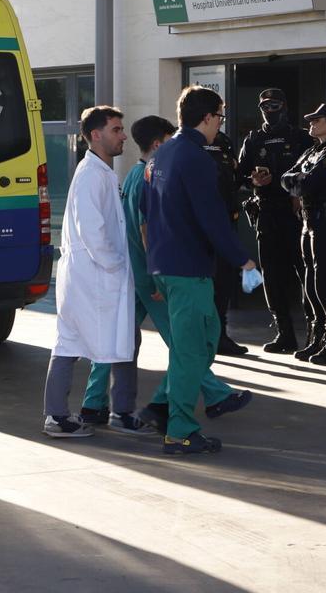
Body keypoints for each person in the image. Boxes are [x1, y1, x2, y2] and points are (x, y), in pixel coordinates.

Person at [82, 115, 237, 437]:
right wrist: (156, 277)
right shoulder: (146, 176)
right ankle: (214, 393)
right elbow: (145, 231)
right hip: (147, 276)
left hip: (135, 273)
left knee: (117, 338)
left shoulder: (138, 174)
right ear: (158, 143)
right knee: (184, 342)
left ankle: (92, 403)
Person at [141, 86, 258, 456]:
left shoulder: (161, 156)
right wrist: (243, 258)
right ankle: (180, 431)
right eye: (220, 117)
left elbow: (148, 211)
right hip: (188, 268)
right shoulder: (195, 158)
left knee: (202, 340)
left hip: (168, 264)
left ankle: (161, 404)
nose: (220, 124)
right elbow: (213, 219)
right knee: (194, 349)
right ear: (207, 118)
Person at [43, 106, 135, 438]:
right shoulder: (90, 176)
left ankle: (62, 414)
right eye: (116, 129)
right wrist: (115, 265)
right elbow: (92, 231)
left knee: (77, 343)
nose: (123, 135)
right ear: (96, 135)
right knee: (70, 344)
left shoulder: (99, 173)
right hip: (91, 279)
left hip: (91, 278)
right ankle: (57, 416)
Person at [236, 88, 314, 353]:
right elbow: (239, 177)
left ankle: (315, 331)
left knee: (306, 274)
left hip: (295, 214)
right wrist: (253, 180)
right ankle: (284, 333)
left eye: (275, 105)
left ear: (284, 107)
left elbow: (314, 175)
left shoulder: (301, 138)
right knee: (272, 276)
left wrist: (298, 195)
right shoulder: (254, 140)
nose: (270, 111)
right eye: (265, 106)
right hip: (267, 212)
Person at [281, 104, 326, 365]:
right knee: (310, 281)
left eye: (317, 119)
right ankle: (317, 335)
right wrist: (298, 181)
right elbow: (286, 177)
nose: (311, 123)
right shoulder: (313, 151)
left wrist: (298, 182)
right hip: (308, 221)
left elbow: (307, 183)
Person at [204, 129, 248, 356]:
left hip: (228, 221)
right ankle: (207, 337)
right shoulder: (189, 143)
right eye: (218, 115)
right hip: (206, 226)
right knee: (207, 284)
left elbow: (235, 174)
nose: (220, 120)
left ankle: (220, 336)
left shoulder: (224, 141)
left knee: (224, 281)